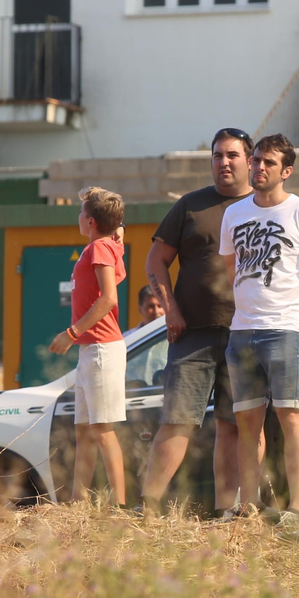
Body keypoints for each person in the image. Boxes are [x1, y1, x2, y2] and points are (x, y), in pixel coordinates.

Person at [140, 127, 258, 516]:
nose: (223, 163)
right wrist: (170, 309)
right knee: (177, 421)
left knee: (234, 426)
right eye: (217, 155)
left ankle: (230, 512)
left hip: (247, 333)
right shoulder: (190, 205)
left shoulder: (266, 207)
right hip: (193, 334)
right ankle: (148, 508)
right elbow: (155, 261)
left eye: (232, 155)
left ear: (250, 160)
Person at [218, 134, 299, 523]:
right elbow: (230, 268)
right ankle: (248, 505)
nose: (259, 167)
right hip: (242, 330)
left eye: (268, 162)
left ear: (287, 171)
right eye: (256, 161)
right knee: (247, 421)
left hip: (285, 329)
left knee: (290, 415)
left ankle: (297, 509)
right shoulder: (234, 214)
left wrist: (297, 304)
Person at [48, 187, 129, 507]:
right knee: (84, 430)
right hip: (91, 350)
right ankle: (78, 502)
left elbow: (109, 298)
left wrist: (72, 332)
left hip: (101, 349)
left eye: (81, 213)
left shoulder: (99, 249)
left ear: (91, 221)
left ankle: (120, 505)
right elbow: (117, 229)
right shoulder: (106, 245)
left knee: (102, 430)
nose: (78, 218)